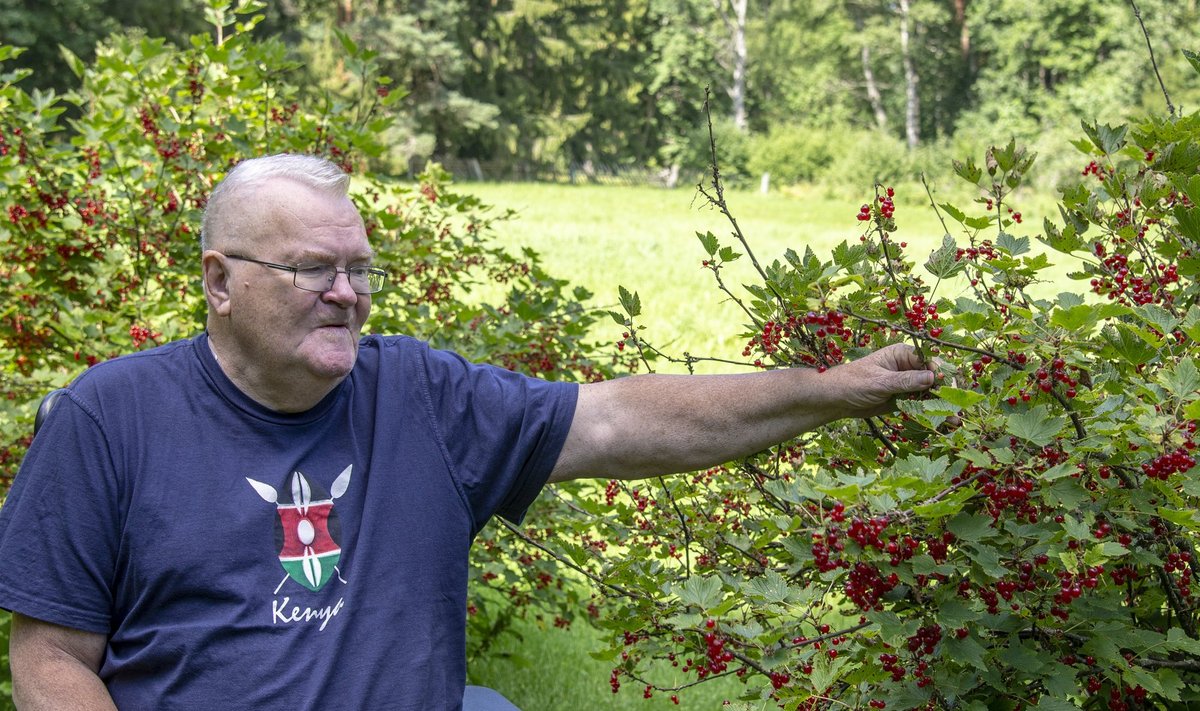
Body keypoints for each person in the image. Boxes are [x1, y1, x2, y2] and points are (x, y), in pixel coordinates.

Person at [0, 154, 935, 710]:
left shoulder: (421, 395)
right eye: (312, 269)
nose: (347, 293)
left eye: (360, 267)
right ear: (219, 282)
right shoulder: (107, 419)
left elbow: (617, 419)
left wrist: (826, 388)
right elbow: (48, 655)